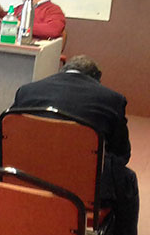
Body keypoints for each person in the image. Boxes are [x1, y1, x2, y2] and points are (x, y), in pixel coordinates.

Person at [8, 55, 138, 235]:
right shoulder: (112, 99)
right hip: (84, 192)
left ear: (63, 71)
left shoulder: (27, 91)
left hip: (27, 178)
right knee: (128, 178)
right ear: (96, 79)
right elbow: (122, 153)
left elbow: (12, 134)